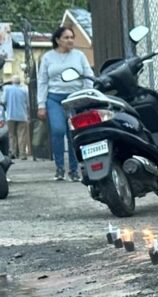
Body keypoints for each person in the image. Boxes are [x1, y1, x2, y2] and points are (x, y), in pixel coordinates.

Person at [36, 26, 93, 181]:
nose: (70, 40)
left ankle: (74, 170)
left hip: (75, 99)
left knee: (73, 133)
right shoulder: (48, 57)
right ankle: (59, 167)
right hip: (54, 99)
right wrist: (41, 104)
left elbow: (88, 76)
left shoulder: (79, 56)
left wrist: (87, 96)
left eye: (72, 37)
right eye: (66, 37)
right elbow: (42, 81)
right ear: (57, 40)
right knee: (58, 130)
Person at [3, 76, 31, 159]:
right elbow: (28, 103)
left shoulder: (7, 89)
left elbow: (3, 100)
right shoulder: (24, 90)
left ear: (12, 81)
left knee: (12, 135)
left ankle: (13, 152)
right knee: (22, 135)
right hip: (22, 115)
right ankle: (22, 153)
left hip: (10, 115)